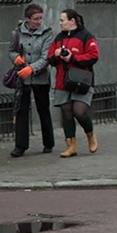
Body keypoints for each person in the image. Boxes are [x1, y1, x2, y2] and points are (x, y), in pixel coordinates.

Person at [47, 9, 99, 158]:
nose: (60, 23)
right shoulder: (58, 38)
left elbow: (93, 56)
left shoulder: (86, 36)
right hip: (63, 81)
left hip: (81, 81)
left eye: (62, 20)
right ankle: (71, 146)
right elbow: (50, 59)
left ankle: (90, 134)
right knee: (66, 111)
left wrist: (72, 58)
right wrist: (56, 55)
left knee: (79, 111)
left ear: (72, 21)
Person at [8, 3, 56, 157]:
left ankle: (48, 142)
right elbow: (11, 50)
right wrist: (16, 58)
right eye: (35, 19)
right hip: (23, 79)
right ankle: (20, 146)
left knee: (43, 109)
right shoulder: (17, 33)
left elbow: (46, 57)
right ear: (27, 19)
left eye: (41, 18)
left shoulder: (47, 34)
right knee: (21, 110)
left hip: (40, 78)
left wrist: (32, 68)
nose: (39, 21)